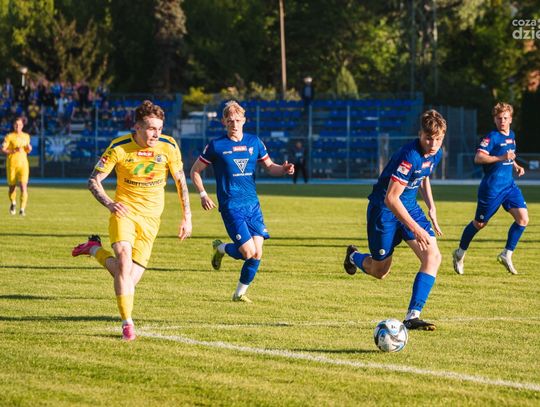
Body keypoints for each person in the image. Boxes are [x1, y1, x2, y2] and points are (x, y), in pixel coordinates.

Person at [71, 100, 192, 341]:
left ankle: (94, 249)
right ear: (137, 127)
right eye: (151, 128)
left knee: (128, 278)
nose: (156, 134)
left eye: (159, 128)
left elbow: (180, 182)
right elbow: (94, 180)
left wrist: (187, 216)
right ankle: (127, 323)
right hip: (124, 214)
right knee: (124, 264)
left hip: (151, 220)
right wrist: (110, 203)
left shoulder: (169, 146)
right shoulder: (119, 147)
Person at [343, 109, 447, 331]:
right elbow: (391, 198)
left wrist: (431, 207)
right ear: (420, 134)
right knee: (380, 271)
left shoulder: (435, 153)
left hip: (409, 206)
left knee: (433, 256)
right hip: (384, 210)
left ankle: (412, 316)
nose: (433, 144)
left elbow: (423, 176)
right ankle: (353, 256)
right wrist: (416, 229)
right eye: (429, 138)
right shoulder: (409, 156)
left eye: (438, 139)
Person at [190, 100, 294, 303]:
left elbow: (270, 166)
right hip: (231, 206)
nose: (234, 124)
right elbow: (195, 171)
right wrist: (203, 194)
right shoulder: (216, 146)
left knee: (257, 253)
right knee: (248, 252)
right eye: (230, 121)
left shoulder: (254, 142)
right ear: (223, 122)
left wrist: (283, 169)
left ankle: (238, 294)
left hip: (252, 205)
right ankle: (221, 248)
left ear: (244, 120)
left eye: (238, 120)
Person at [452, 102, 528, 275]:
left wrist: (516, 165)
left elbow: (509, 155)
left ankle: (506, 254)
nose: (502, 121)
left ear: (511, 119)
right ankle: (459, 253)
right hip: (492, 188)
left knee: (523, 219)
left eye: (505, 118)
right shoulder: (491, 137)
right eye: (499, 118)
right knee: (479, 224)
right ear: (494, 119)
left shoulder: (512, 135)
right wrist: (501, 157)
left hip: (509, 186)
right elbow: (478, 158)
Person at [1, 116, 32, 216]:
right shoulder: (9, 136)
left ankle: (22, 209)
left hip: (23, 165)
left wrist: (29, 148)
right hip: (12, 165)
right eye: (16, 124)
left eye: (19, 125)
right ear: (13, 125)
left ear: (22, 126)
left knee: (23, 187)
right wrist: (13, 150)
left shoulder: (26, 136)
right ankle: (13, 203)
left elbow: (27, 150)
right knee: (12, 188)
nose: (18, 126)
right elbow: (2, 149)